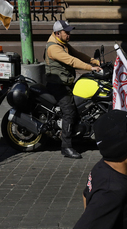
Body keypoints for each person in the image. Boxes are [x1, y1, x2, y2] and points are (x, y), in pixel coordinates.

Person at [45, 20, 102, 159]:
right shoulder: (53, 47)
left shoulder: (63, 44)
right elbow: (72, 61)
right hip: (58, 85)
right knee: (69, 112)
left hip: (66, 82)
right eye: (67, 32)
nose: (69, 35)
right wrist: (90, 68)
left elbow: (78, 54)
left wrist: (97, 62)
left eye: (69, 32)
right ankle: (66, 147)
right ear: (58, 33)